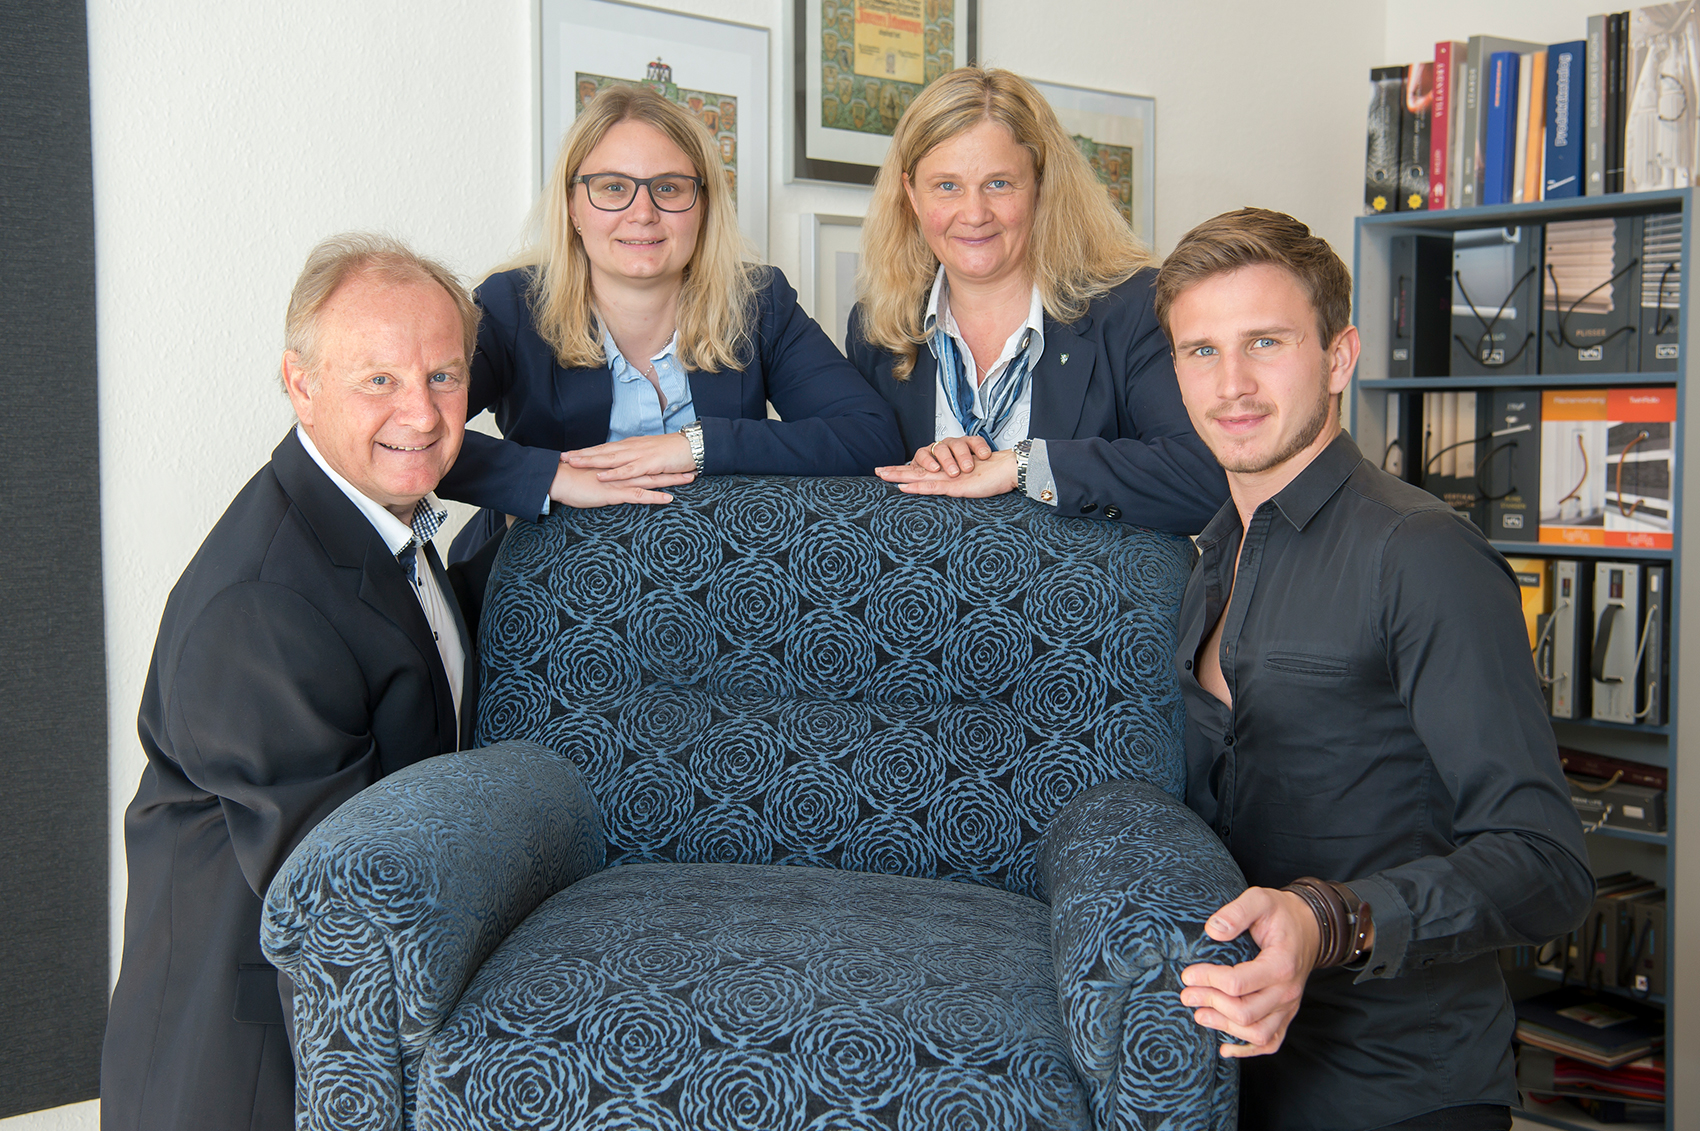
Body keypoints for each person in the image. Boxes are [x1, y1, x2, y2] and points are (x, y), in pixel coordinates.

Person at [1159, 208, 1593, 1130]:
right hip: (1233, 1083)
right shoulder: (1208, 553)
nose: (1230, 383)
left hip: (1401, 1090)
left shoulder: (1421, 552)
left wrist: (1330, 921)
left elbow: (1547, 863)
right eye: (1200, 351)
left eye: (1265, 342)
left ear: (1339, 356)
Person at [101, 234, 496, 1131]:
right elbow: (346, 914)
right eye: (379, 381)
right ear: (300, 383)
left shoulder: (386, 518)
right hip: (251, 1075)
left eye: (444, 375)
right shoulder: (261, 608)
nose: (425, 413)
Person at [441, 85, 903, 560]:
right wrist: (549, 478)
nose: (643, 213)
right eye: (613, 187)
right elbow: (410, 435)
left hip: (709, 582)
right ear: (573, 207)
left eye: (669, 188)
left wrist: (694, 447)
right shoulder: (511, 305)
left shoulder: (759, 302)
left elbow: (870, 437)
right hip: (537, 579)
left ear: (702, 206)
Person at [847, 67, 1226, 533]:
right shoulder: (879, 328)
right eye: (947, 186)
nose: (974, 213)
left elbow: (1205, 481)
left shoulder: (1133, 308)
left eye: (999, 184)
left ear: (1041, 186)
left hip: (1085, 601)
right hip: (927, 601)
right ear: (911, 194)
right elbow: (859, 490)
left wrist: (1025, 466)